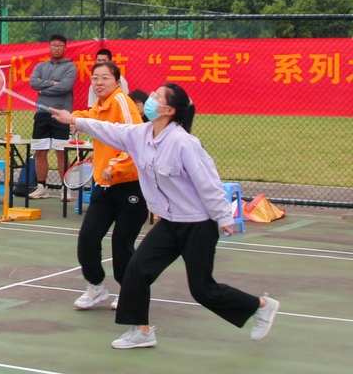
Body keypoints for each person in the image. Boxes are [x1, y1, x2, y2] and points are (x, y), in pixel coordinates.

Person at [50, 83, 280, 348]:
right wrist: (75, 120)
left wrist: (223, 216)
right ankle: (141, 331)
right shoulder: (141, 134)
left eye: (156, 97)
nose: (150, 99)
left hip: (198, 224)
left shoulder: (184, 143)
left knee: (203, 290)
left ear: (169, 110)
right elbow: (110, 129)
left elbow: (208, 182)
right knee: (137, 270)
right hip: (169, 223)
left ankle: (261, 306)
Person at [71, 62, 149, 311]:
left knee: (122, 244)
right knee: (88, 238)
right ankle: (95, 286)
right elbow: (91, 118)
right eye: (95, 78)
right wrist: (74, 118)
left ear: (117, 81)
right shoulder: (99, 105)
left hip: (130, 186)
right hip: (103, 187)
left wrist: (116, 167)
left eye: (105, 78)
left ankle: (128, 289)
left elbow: (137, 140)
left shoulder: (122, 102)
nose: (99, 82)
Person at [28, 33, 77, 201]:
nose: (56, 48)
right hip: (42, 114)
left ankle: (66, 188)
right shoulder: (40, 66)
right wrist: (53, 83)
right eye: (54, 45)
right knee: (40, 152)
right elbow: (33, 82)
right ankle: (41, 187)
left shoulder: (70, 67)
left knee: (61, 153)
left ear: (65, 47)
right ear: (49, 47)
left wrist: (44, 89)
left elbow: (65, 87)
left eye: (60, 46)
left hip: (61, 115)